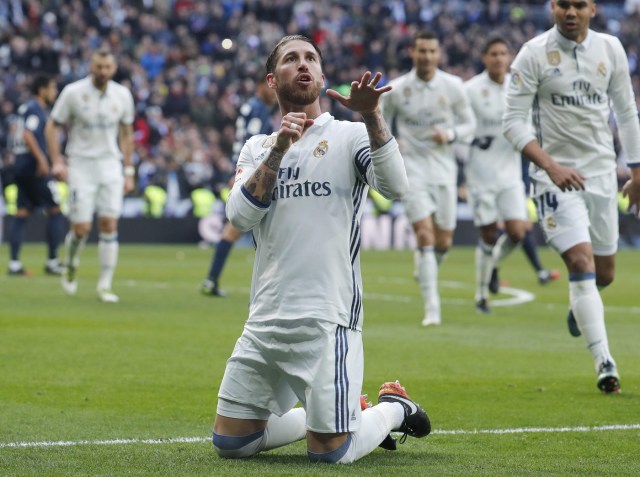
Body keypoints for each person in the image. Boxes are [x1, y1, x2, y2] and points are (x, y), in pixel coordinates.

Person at [212, 35, 430, 464]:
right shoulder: (257, 147)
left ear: (323, 75)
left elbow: (396, 188)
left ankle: (391, 409)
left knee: (331, 454)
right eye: (291, 59)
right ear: (273, 80)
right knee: (231, 444)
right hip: (265, 319)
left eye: (311, 57)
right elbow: (239, 218)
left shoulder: (350, 135)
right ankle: (346, 410)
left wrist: (373, 116)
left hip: (327, 318)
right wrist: (278, 150)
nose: (303, 64)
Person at [503, 0, 640, 393]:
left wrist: (637, 172)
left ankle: (579, 305)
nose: (570, 12)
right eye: (563, 4)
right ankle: (605, 363)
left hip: (600, 175)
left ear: (592, 9)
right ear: (552, 7)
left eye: (579, 5)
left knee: (605, 274)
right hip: (554, 180)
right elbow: (511, 122)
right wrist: (550, 167)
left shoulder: (610, 49)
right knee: (581, 263)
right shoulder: (532, 54)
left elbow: (627, 112)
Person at [380, 30, 476, 326]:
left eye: (432, 51)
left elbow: (470, 124)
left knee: (444, 241)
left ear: (439, 54)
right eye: (422, 51)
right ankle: (432, 308)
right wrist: (393, 143)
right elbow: (378, 120)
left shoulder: (453, 86)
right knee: (424, 235)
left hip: (445, 169)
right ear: (413, 52)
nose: (427, 56)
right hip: (412, 169)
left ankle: (425, 266)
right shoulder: (397, 88)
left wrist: (449, 134)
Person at [45, 49, 135, 303]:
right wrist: (56, 161)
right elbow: (52, 125)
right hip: (81, 165)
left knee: (109, 225)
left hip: (110, 165)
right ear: (91, 67)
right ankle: (71, 264)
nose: (103, 71)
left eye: (107, 67)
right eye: (99, 67)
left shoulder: (122, 94)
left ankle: (104, 285)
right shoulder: (73, 93)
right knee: (82, 228)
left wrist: (129, 171)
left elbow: (126, 134)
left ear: (114, 68)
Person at [464, 37, 529, 313]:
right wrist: (472, 140)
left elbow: (527, 126)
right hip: (481, 174)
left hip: (510, 173)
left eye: (504, 53)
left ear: (510, 57)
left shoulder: (519, 87)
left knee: (517, 232)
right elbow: (461, 126)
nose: (499, 58)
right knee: (489, 235)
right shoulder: (470, 90)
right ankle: (481, 296)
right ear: (484, 57)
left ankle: (494, 266)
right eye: (494, 54)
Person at [201, 75, 278, 297]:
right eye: (270, 87)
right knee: (254, 228)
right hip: (253, 173)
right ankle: (213, 279)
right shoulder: (258, 108)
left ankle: (212, 278)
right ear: (260, 86)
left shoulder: (250, 106)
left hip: (244, 170)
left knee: (237, 230)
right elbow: (251, 140)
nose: (274, 92)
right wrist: (243, 171)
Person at [6, 73, 65, 276]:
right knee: (56, 209)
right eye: (52, 88)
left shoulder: (24, 108)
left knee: (22, 211)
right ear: (42, 90)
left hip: (20, 165)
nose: (54, 92)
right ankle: (52, 261)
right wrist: (42, 160)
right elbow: (28, 134)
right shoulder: (34, 109)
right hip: (32, 167)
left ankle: (14, 264)